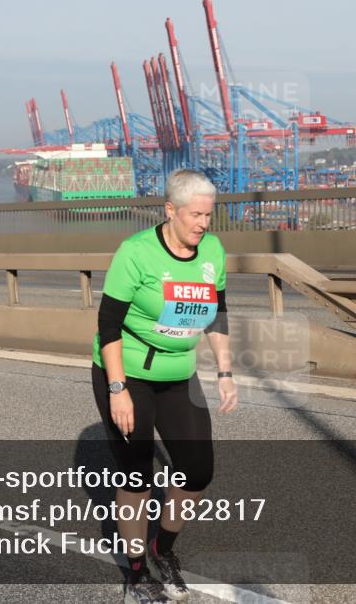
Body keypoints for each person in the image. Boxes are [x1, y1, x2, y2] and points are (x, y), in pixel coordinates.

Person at [91, 168, 239, 603]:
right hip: (128, 372)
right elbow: (108, 325)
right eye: (195, 215)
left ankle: (163, 548)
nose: (203, 224)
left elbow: (218, 312)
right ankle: (136, 572)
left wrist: (225, 372)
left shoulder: (212, 250)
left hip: (179, 374)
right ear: (170, 210)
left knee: (198, 470)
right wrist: (117, 390)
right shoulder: (136, 253)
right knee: (137, 474)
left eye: (208, 216)